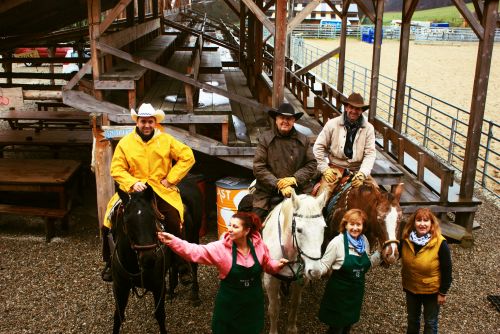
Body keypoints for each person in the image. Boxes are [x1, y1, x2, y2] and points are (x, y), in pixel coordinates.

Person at [101, 103, 195, 282]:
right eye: (143, 121)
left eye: (150, 121)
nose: (147, 125)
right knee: (109, 219)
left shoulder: (166, 140)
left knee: (174, 219)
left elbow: (187, 156)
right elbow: (117, 169)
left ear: (155, 122)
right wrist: (132, 182)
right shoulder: (125, 143)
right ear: (137, 122)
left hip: (159, 190)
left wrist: (170, 179)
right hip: (132, 191)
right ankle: (110, 261)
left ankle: (182, 264)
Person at [157, 212, 288, 334]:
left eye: (235, 226)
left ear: (246, 231)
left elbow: (267, 265)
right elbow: (194, 251)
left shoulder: (260, 246)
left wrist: (277, 265)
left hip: (253, 304)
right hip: (229, 305)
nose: (229, 229)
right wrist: (173, 241)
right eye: (230, 225)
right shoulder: (220, 248)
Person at [318, 209, 381, 334]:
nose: (355, 228)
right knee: (336, 329)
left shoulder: (364, 241)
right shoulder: (337, 243)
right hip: (339, 294)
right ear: (345, 225)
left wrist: (380, 254)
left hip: (356, 293)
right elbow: (324, 265)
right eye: (352, 224)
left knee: (347, 327)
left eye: (358, 224)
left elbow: (365, 264)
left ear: (363, 227)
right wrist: (312, 270)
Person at [252, 103, 317, 221]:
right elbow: (258, 167)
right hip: (268, 190)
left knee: (314, 218)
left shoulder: (304, 140)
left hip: (298, 190)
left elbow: (312, 164)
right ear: (276, 119)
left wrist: (295, 179)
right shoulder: (265, 139)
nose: (285, 121)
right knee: (254, 221)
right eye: (282, 118)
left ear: (294, 121)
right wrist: (278, 184)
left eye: (289, 118)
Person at [400, 208, 452, 334]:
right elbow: (394, 255)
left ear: (431, 223)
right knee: (412, 320)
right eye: (418, 220)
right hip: (411, 288)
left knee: (430, 322)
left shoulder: (440, 243)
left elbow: (447, 270)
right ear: (413, 223)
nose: (422, 224)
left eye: (426, 220)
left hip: (432, 291)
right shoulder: (406, 240)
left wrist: (443, 292)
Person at [313, 93, 376, 189]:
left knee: (377, 194)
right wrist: (325, 169)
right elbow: (318, 147)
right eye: (351, 107)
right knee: (323, 195)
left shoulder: (369, 128)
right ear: (346, 107)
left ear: (361, 111)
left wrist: (363, 173)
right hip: (335, 167)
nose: (354, 111)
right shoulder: (332, 124)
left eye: (358, 109)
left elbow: (370, 154)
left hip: (358, 169)